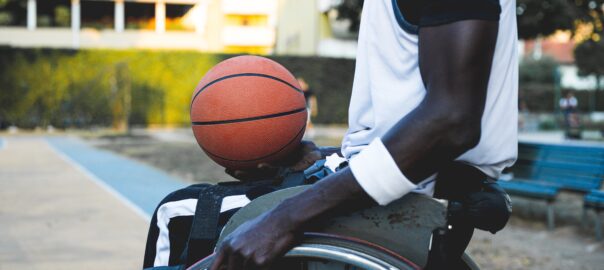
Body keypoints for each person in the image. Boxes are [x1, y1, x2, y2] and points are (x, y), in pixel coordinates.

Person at [143, 0, 517, 269]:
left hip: (402, 203)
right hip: (405, 187)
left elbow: (451, 122)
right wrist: (314, 157)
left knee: (177, 212)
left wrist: (285, 218)